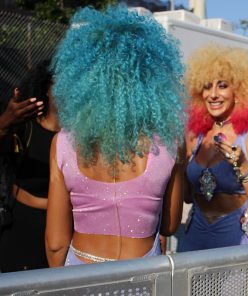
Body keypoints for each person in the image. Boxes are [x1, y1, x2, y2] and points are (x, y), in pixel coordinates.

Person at [45, 5, 185, 266]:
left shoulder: (64, 143)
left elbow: (55, 244)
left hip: (81, 277)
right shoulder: (170, 143)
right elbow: (169, 225)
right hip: (144, 276)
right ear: (151, 78)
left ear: (84, 78)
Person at [178, 45, 248, 252]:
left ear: (238, 92)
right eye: (206, 86)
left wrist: (242, 166)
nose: (213, 94)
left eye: (222, 86)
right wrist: (180, 163)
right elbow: (187, 197)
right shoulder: (195, 136)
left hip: (236, 237)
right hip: (194, 234)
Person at [0, 60, 59, 272]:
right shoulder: (26, 126)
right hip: (23, 229)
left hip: (64, 231)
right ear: (47, 87)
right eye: (60, 80)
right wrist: (4, 123)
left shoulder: (82, 136)